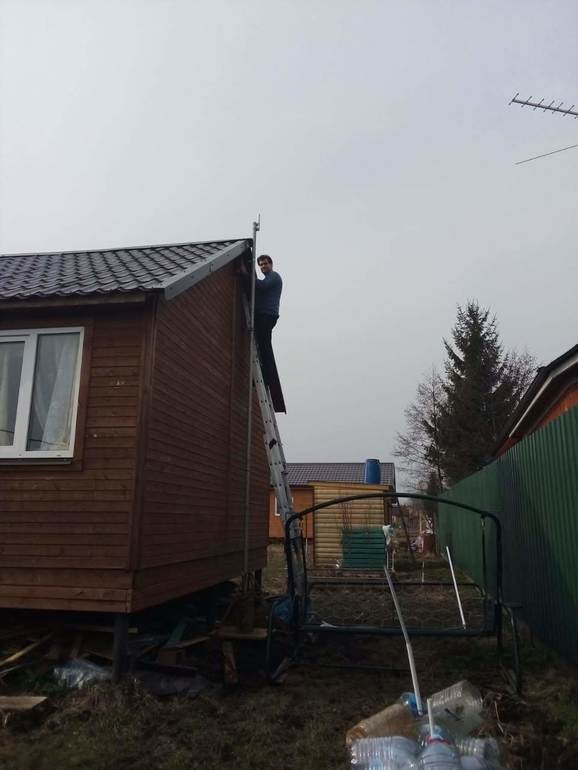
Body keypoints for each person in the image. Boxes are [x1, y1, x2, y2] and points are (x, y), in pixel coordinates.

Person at [253, 254, 282, 388]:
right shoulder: (267, 279)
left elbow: (262, 286)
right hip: (263, 315)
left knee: (265, 346)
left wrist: (247, 276)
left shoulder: (274, 277)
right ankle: (265, 375)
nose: (263, 266)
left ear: (271, 264)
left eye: (265, 264)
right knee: (262, 345)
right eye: (261, 265)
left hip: (267, 316)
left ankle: (267, 377)